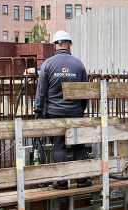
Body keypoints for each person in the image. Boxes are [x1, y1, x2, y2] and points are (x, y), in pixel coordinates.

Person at [34, 30, 91, 190]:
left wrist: (38, 112)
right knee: (78, 146)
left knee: (58, 146)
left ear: (55, 45)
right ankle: (81, 180)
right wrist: (80, 110)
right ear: (69, 44)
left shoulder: (47, 65)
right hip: (75, 113)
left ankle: (61, 182)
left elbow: (41, 92)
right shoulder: (79, 65)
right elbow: (85, 93)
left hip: (54, 113)